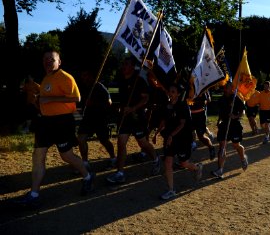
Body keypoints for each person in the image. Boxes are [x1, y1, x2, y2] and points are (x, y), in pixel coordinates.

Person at [15, 51, 95, 208]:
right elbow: (46, 101)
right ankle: (34, 194)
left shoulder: (65, 77)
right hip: (45, 122)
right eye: (45, 59)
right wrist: (36, 101)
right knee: (38, 155)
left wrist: (48, 99)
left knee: (67, 156)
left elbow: (76, 98)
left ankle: (87, 176)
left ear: (59, 62)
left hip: (62, 122)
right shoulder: (46, 79)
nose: (48, 62)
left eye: (52, 59)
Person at [106, 57, 160, 185]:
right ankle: (120, 173)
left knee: (143, 143)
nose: (123, 66)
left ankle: (156, 159)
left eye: (126, 64)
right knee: (121, 143)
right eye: (123, 63)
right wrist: (120, 107)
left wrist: (133, 108)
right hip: (124, 117)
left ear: (133, 66)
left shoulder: (139, 81)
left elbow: (145, 99)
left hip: (137, 117)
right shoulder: (121, 79)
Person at [155, 83, 203, 200]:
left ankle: (197, 168)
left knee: (184, 163)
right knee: (168, 162)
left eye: (172, 92)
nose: (170, 94)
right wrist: (156, 133)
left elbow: (182, 124)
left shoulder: (183, 106)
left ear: (178, 94)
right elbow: (163, 121)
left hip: (183, 139)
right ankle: (171, 190)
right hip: (169, 138)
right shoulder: (166, 106)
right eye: (169, 91)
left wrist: (171, 135)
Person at [77, 70, 116, 171]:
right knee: (81, 139)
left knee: (104, 140)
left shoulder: (100, 87)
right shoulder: (83, 87)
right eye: (82, 76)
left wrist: (94, 103)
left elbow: (109, 103)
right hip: (87, 118)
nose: (83, 78)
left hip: (100, 118)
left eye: (85, 75)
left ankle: (113, 158)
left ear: (91, 76)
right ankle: (85, 163)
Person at [211, 82, 248, 179]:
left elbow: (243, 111)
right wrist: (219, 120)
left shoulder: (236, 98)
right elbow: (221, 112)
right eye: (224, 88)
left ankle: (243, 159)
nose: (225, 89)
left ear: (232, 89)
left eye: (227, 88)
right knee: (222, 147)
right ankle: (220, 170)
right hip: (224, 126)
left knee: (236, 145)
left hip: (235, 125)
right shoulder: (221, 99)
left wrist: (235, 116)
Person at [189, 91, 216, 160]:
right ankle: (193, 144)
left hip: (200, 115)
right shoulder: (189, 89)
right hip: (191, 114)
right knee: (191, 130)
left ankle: (211, 147)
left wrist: (203, 98)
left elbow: (208, 100)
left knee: (201, 136)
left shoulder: (201, 88)